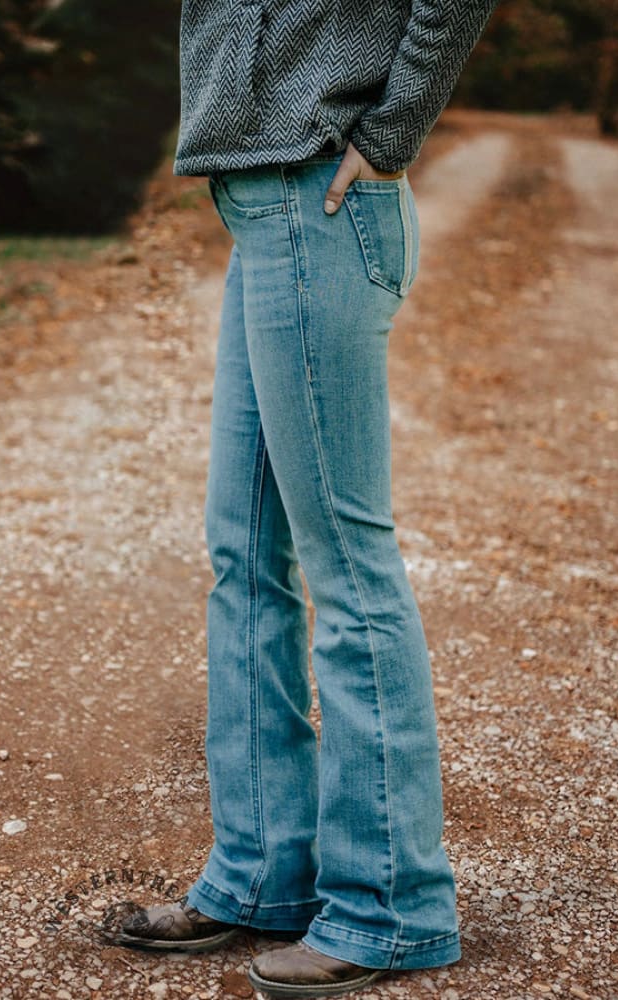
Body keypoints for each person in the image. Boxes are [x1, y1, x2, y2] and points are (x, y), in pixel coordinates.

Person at [112, 2, 498, 997]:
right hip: (262, 206)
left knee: (346, 559)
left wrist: (393, 125)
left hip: (319, 197)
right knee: (242, 549)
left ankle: (390, 905)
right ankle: (261, 873)